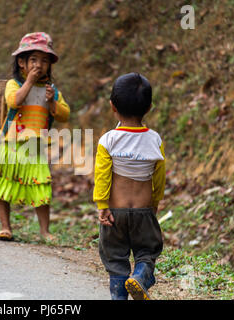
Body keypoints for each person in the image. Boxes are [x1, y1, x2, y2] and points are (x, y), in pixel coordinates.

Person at [0, 32, 70, 242]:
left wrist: (52, 102)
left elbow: (64, 114)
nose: (39, 65)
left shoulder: (52, 91)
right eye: (33, 59)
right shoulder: (14, 84)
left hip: (36, 147)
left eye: (44, 61)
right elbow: (14, 101)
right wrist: (30, 82)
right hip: (13, 143)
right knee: (4, 184)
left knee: (41, 186)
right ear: (21, 63)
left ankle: (44, 231)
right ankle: (6, 227)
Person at [93, 73, 165, 300]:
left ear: (112, 106)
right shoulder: (155, 140)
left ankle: (119, 296)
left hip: (115, 213)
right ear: (150, 107)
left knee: (116, 260)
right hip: (144, 211)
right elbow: (159, 177)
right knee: (146, 252)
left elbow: (102, 176)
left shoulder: (108, 140)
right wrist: (154, 203)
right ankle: (141, 276)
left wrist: (102, 204)